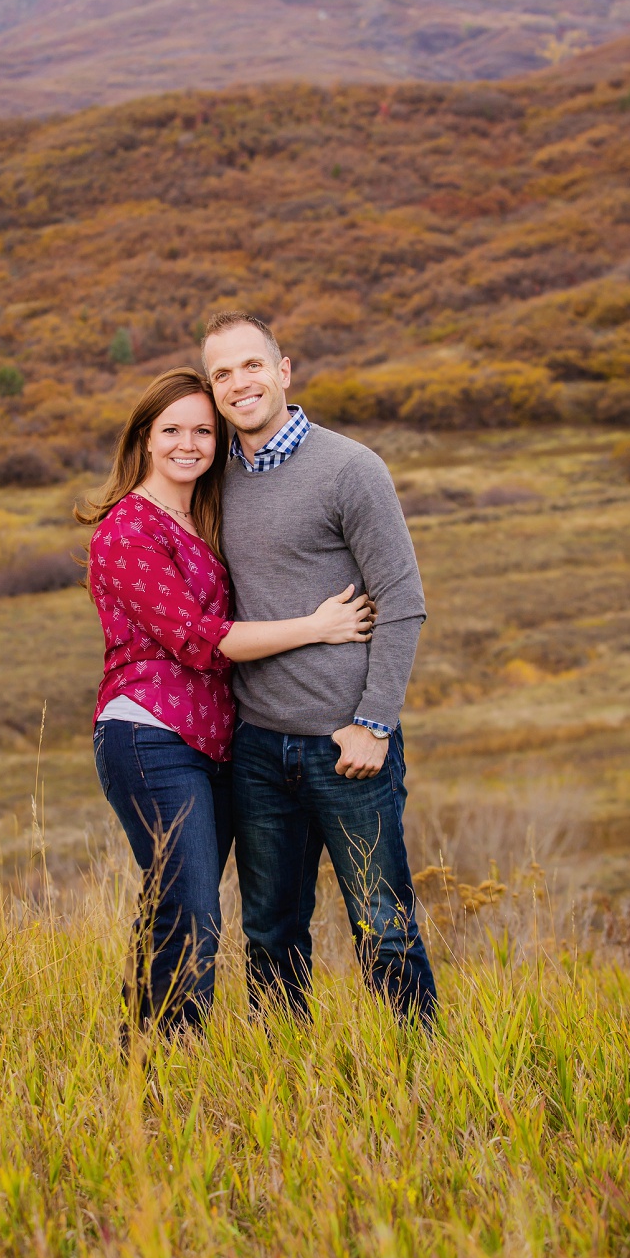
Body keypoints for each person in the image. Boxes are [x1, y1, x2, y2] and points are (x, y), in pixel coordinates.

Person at [77, 367, 376, 1038]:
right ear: (145, 441)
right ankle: (158, 1069)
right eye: (172, 430)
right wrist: (316, 627)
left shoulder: (205, 513)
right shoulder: (127, 532)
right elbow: (198, 640)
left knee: (186, 905)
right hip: (149, 735)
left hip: (216, 741)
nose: (189, 443)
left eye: (203, 430)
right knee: (189, 910)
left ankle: (154, 1057)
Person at [201, 312, 437, 1026]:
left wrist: (373, 723)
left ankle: (423, 1080)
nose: (239, 383)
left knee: (384, 930)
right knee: (270, 936)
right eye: (221, 374)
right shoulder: (216, 482)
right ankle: (289, 1084)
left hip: (347, 751)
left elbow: (402, 599)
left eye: (251, 365)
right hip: (258, 751)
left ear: (284, 370)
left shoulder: (350, 468)